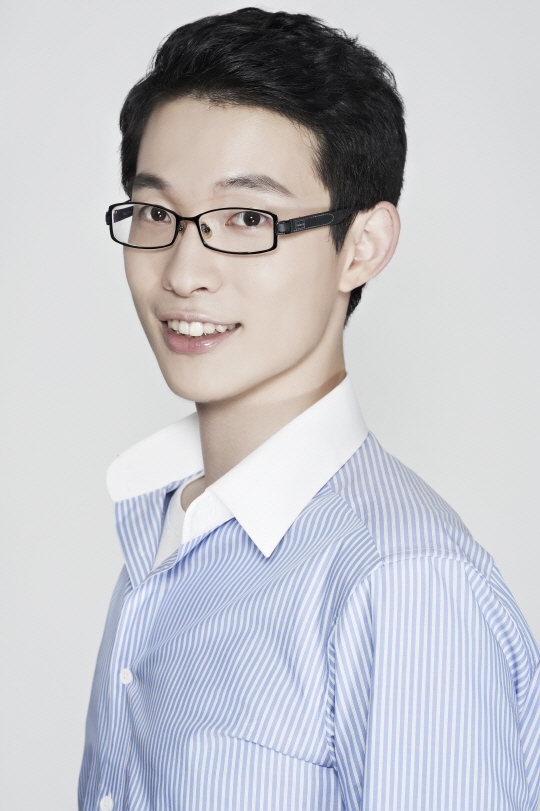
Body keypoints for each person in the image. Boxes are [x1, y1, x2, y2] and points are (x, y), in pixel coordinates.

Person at [79, 8, 540, 810]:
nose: (183, 271)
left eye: (246, 219)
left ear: (362, 246)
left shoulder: (404, 583)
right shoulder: (165, 532)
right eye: (156, 212)